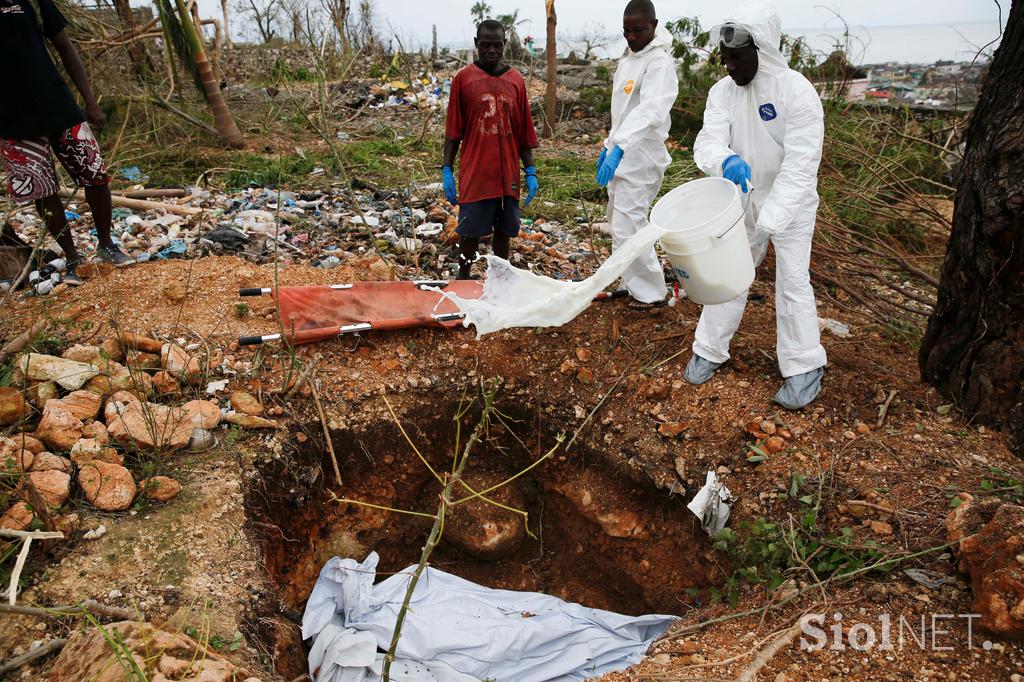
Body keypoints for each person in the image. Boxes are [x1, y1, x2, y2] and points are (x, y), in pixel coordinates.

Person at [685, 0, 827, 410]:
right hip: (740, 199)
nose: (728, 66)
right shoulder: (722, 92)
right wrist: (723, 159)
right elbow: (707, 141)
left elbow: (801, 168)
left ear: (761, 50)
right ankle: (709, 349)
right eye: (723, 58)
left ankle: (804, 366)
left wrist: (772, 217)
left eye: (736, 58)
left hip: (792, 206)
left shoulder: (796, 92)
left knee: (793, 282)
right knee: (728, 274)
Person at [0, 0, 133, 287]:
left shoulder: (32, 1)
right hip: (12, 119)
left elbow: (66, 48)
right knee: (42, 190)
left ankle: (107, 245)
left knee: (94, 174)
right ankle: (73, 257)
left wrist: (90, 101)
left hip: (57, 104)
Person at [442, 19, 540, 280]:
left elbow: (523, 131)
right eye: (486, 45)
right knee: (469, 230)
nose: (492, 50)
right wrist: (446, 169)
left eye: (497, 45)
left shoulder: (516, 81)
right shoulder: (463, 80)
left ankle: (500, 277)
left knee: (504, 231)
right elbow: (453, 131)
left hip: (507, 172)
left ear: (504, 45)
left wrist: (529, 169)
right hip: (476, 171)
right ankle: (464, 276)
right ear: (476, 44)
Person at [596, 0, 678, 309]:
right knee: (617, 220)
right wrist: (608, 147)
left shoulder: (659, 63)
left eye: (639, 30)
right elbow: (623, 114)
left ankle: (652, 292)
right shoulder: (629, 59)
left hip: (642, 156)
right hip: (623, 152)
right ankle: (631, 281)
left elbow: (651, 111)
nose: (632, 37)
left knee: (630, 223)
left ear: (654, 26)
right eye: (627, 31)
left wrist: (621, 147)